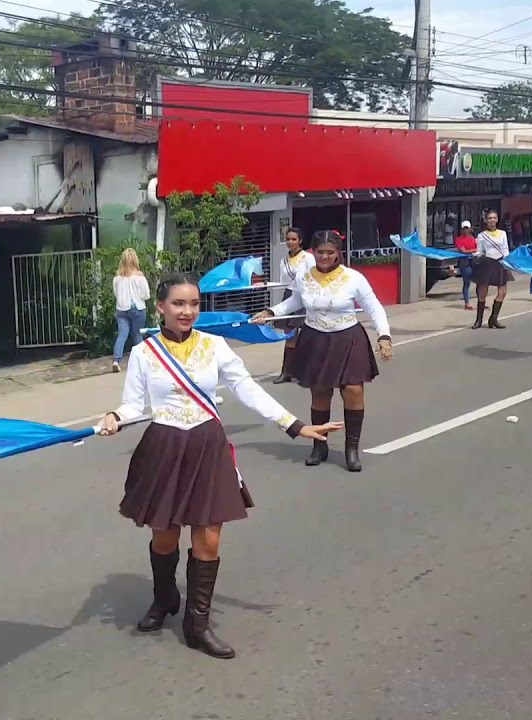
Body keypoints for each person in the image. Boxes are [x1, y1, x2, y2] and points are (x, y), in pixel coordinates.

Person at [99, 273, 341, 659]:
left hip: (206, 444)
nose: (187, 311)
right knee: (165, 535)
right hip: (163, 446)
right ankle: (165, 599)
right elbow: (133, 405)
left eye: (194, 304)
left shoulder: (215, 346)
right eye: (178, 304)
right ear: (160, 307)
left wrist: (293, 425)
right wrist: (115, 416)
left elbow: (247, 388)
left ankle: (198, 624)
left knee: (208, 537)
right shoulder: (145, 353)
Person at [254, 230, 393, 472]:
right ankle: (320, 445)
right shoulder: (304, 276)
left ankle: (351, 449)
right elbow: (294, 302)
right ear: (313, 252)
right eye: (320, 252)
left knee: (352, 390)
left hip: (348, 338)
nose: (325, 257)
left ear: (338, 253)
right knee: (319, 392)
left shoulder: (353, 278)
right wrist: (270, 312)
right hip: (315, 338)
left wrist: (384, 335)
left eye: (330, 252)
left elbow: (374, 307)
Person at [272, 227, 315, 384]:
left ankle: (306, 372)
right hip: (290, 296)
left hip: (305, 295)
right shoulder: (283, 260)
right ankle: (287, 371)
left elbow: (313, 277)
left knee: (306, 334)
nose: (290, 242)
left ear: (300, 241)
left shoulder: (308, 258)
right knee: (290, 335)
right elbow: (283, 281)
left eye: (293, 239)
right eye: (288, 239)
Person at [470, 211, 513, 330]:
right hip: (487, 263)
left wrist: (508, 261)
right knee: (482, 292)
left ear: (497, 219)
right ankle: (478, 320)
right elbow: (480, 251)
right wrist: (476, 255)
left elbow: (505, 249)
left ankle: (493, 318)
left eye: (494, 218)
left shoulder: (503, 233)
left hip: (500, 263)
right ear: (486, 220)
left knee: (503, 292)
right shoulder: (482, 235)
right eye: (490, 218)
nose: (492, 220)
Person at [112, 248, 151, 373]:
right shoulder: (139, 277)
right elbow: (146, 295)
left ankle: (116, 360)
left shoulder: (117, 278)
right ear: (135, 260)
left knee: (122, 334)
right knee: (137, 335)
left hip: (121, 309)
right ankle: (139, 363)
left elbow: (116, 294)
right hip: (137, 308)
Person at [454, 221, 478, 311]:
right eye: (464, 228)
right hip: (465, 262)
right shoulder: (459, 239)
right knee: (467, 282)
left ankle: (481, 300)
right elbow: (463, 251)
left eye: (467, 228)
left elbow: (479, 246)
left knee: (479, 281)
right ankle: (467, 303)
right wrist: (476, 250)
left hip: (474, 261)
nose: (466, 230)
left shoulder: (473, 237)